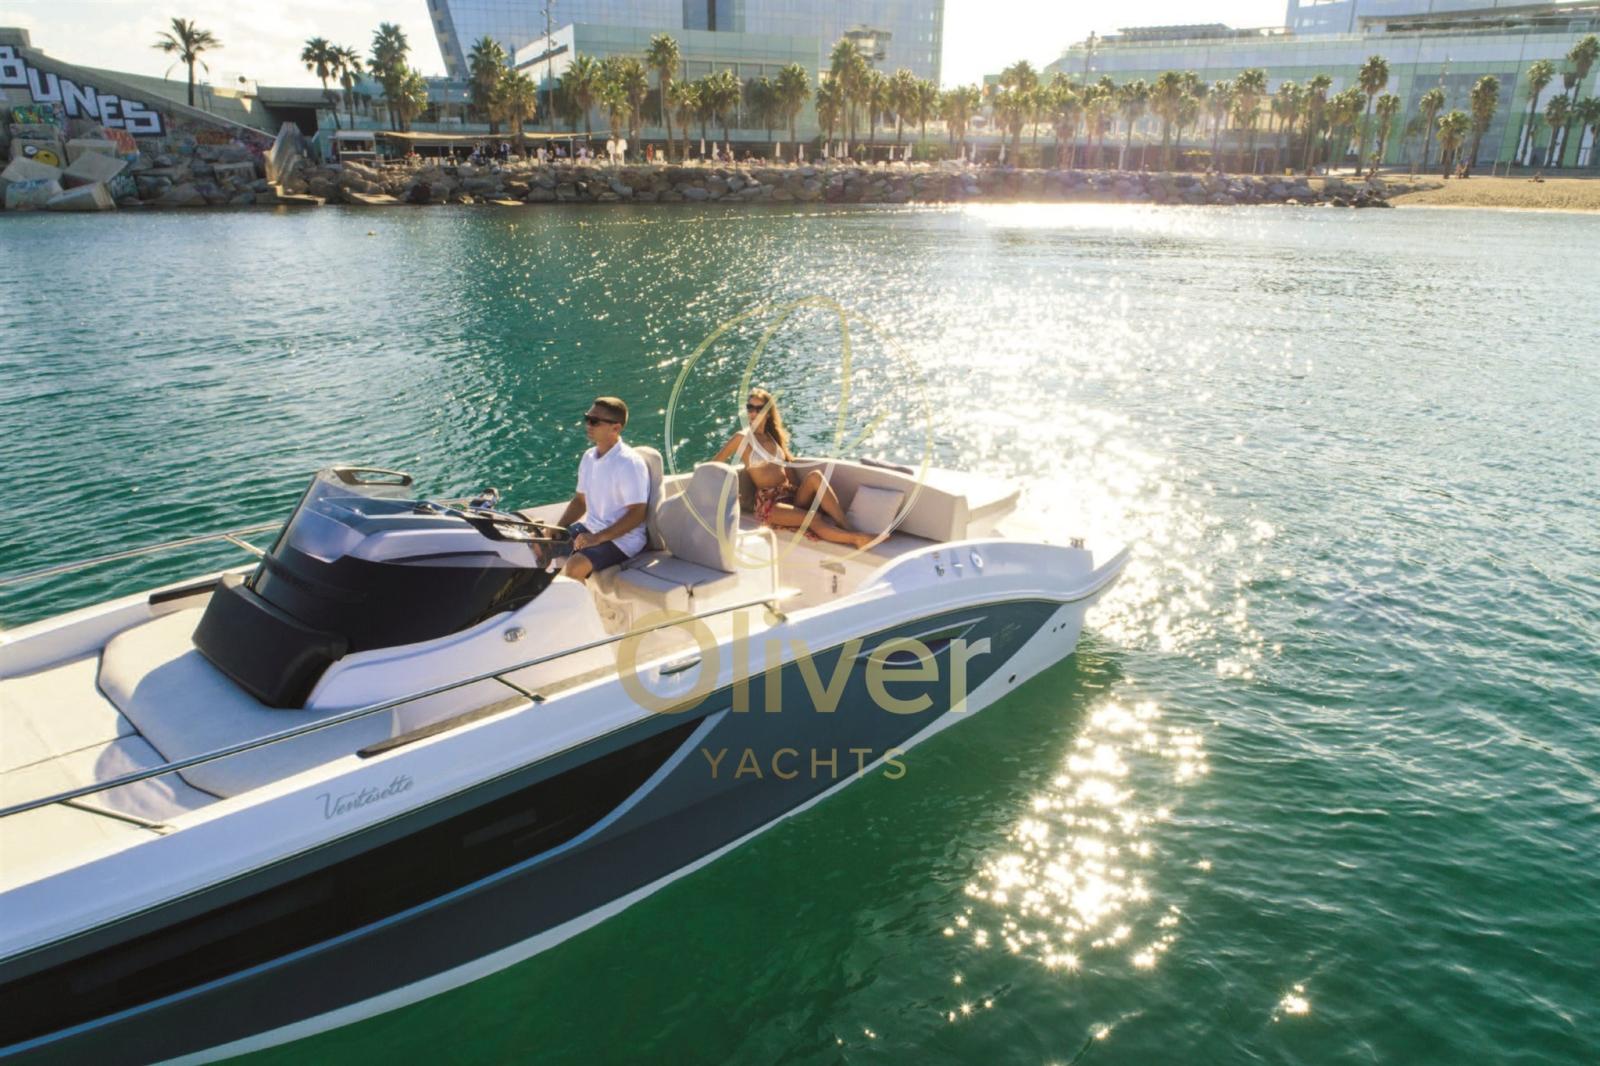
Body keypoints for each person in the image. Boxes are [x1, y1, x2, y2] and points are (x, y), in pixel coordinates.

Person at [710, 389, 876, 549]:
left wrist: (799, 494)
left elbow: (787, 468)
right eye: (750, 408)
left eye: (759, 409)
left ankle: (846, 526)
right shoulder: (742, 438)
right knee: (813, 517)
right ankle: (857, 539)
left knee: (816, 476)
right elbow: (713, 465)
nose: (753, 413)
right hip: (770, 504)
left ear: (768, 413)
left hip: (788, 495)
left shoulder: (772, 437)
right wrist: (726, 492)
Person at [538, 397, 651, 583]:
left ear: (615, 428)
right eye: (587, 418)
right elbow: (580, 501)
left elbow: (637, 513)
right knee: (539, 545)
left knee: (575, 566)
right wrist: (558, 528)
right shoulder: (588, 457)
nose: (588, 425)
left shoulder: (629, 463)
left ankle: (577, 602)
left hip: (623, 540)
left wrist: (598, 538)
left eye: (594, 421)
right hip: (591, 528)